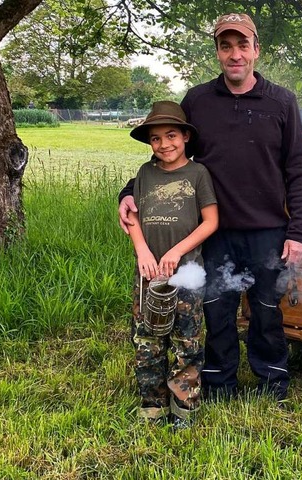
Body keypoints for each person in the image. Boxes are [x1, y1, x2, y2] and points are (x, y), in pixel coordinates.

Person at [119, 13, 302, 402]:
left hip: (267, 229)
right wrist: (128, 190)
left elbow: (298, 170)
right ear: (218, 53)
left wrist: (298, 232)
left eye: (243, 45)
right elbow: (171, 154)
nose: (235, 54)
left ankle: (273, 383)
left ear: (256, 50)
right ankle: (221, 383)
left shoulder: (281, 102)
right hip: (213, 229)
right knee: (217, 310)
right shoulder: (198, 100)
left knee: (267, 309)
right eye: (226, 46)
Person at [126, 100, 218, 428]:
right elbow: (132, 216)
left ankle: (185, 407)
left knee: (187, 341)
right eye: (155, 139)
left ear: (185, 137)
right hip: (148, 275)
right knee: (148, 341)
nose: (164, 144)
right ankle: (152, 407)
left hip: (186, 274)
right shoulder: (145, 173)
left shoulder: (198, 173)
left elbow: (210, 221)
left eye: (171, 135)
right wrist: (142, 252)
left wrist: (177, 251)